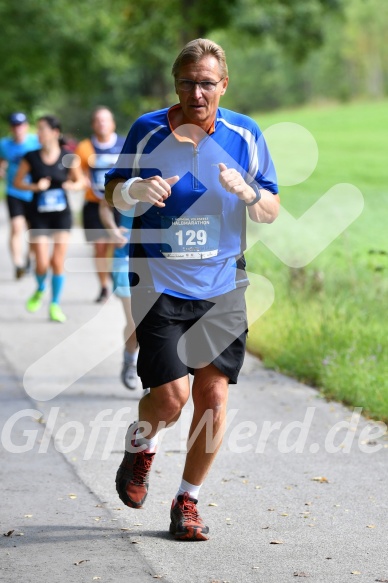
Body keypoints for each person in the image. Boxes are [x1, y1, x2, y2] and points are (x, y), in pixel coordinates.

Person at [105, 38, 279, 541]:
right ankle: (141, 449)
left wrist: (249, 193)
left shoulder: (244, 134)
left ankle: (187, 501)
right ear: (175, 85)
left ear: (223, 84)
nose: (196, 93)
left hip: (222, 283)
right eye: (187, 83)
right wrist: (136, 190)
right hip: (159, 281)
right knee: (171, 399)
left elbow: (270, 205)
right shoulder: (147, 129)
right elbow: (113, 192)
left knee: (212, 395)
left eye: (207, 83)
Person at [14, 115, 84, 322]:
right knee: (42, 263)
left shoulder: (68, 156)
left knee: (57, 261)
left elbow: (81, 181)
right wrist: (35, 187)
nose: (38, 133)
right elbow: (17, 183)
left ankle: (54, 304)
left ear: (55, 132)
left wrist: (72, 185)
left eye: (42, 129)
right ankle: (40, 289)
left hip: (61, 216)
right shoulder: (31, 157)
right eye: (38, 130)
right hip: (38, 216)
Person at [75, 107, 125, 303]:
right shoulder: (85, 147)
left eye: (105, 120)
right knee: (100, 247)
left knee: (118, 243)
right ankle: (104, 287)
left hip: (121, 204)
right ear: (93, 125)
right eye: (98, 120)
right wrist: (81, 179)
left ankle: (117, 278)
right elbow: (76, 171)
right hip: (94, 203)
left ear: (112, 123)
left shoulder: (123, 144)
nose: (102, 123)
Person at [99, 199, 139, 390]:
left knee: (156, 322)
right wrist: (113, 230)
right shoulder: (127, 173)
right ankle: (130, 360)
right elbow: (104, 205)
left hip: (159, 262)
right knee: (136, 321)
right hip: (125, 259)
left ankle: (153, 377)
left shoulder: (169, 176)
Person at [0, 112, 40, 279]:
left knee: (32, 230)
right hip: (13, 191)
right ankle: (18, 264)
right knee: (16, 227)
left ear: (26, 126)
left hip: (33, 190)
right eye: (15, 125)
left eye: (21, 125)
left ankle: (29, 258)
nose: (18, 129)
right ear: (11, 127)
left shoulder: (35, 142)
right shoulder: (4, 144)